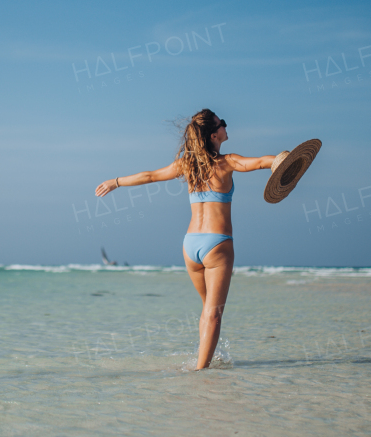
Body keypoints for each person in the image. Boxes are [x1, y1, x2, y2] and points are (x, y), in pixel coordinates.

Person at [94, 109, 286, 370]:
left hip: (190, 246)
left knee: (208, 308)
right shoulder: (228, 162)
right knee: (214, 313)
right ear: (214, 134)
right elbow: (262, 162)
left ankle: (203, 360)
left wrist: (115, 182)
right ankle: (200, 372)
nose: (227, 126)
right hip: (217, 244)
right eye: (223, 124)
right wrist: (282, 159)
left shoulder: (188, 165)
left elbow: (149, 176)